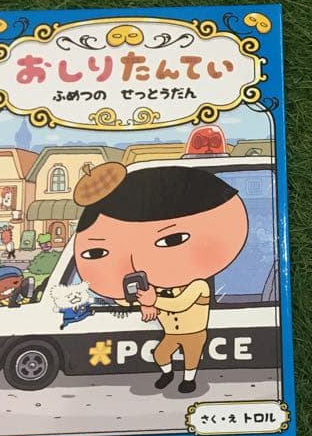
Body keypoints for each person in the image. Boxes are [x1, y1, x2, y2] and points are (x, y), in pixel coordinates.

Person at [73, 161, 248, 393]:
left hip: (194, 332)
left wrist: (152, 300)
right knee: (160, 353)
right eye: (96, 253)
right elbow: (133, 300)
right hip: (172, 332)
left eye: (173, 240)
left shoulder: (198, 286)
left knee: (191, 357)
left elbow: (180, 304)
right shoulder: (156, 287)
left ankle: (189, 380)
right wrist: (127, 298)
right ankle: (167, 373)